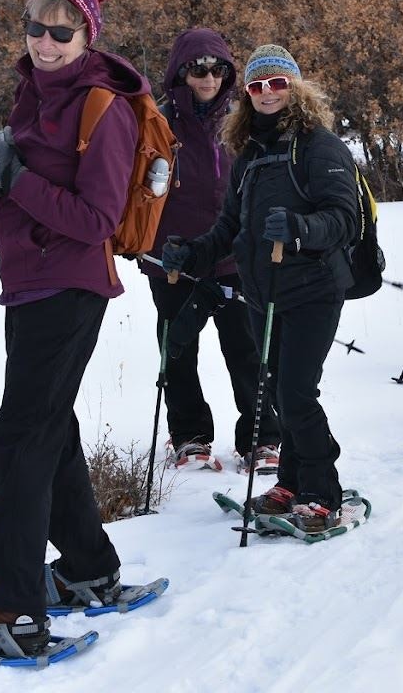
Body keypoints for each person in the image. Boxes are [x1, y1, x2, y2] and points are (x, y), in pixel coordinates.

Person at [0, 0, 151, 657]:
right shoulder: (34, 92)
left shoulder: (102, 105)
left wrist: (18, 179)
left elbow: (94, 218)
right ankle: (89, 570)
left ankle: (12, 613)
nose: (45, 41)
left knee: (20, 441)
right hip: (33, 284)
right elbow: (28, 177)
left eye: (62, 30)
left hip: (69, 287)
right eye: (36, 25)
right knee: (48, 431)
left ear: (88, 33)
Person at [161, 45, 358, 532]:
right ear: (246, 94)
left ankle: (321, 490)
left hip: (313, 288)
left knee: (296, 394)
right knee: (275, 390)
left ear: (295, 88)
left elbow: (343, 219)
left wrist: (299, 228)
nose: (268, 93)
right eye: (257, 85)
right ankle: (290, 481)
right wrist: (192, 252)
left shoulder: (319, 146)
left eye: (277, 83)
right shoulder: (248, 153)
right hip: (264, 292)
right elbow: (229, 226)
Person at [140, 28, 279, 475]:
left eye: (218, 69)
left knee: (247, 349)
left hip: (234, 257)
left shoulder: (242, 120)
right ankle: (189, 437)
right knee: (178, 351)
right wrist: (137, 242)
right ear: (181, 71)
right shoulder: (157, 122)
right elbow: (135, 188)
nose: (209, 77)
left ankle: (259, 437)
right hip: (173, 261)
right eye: (198, 68)